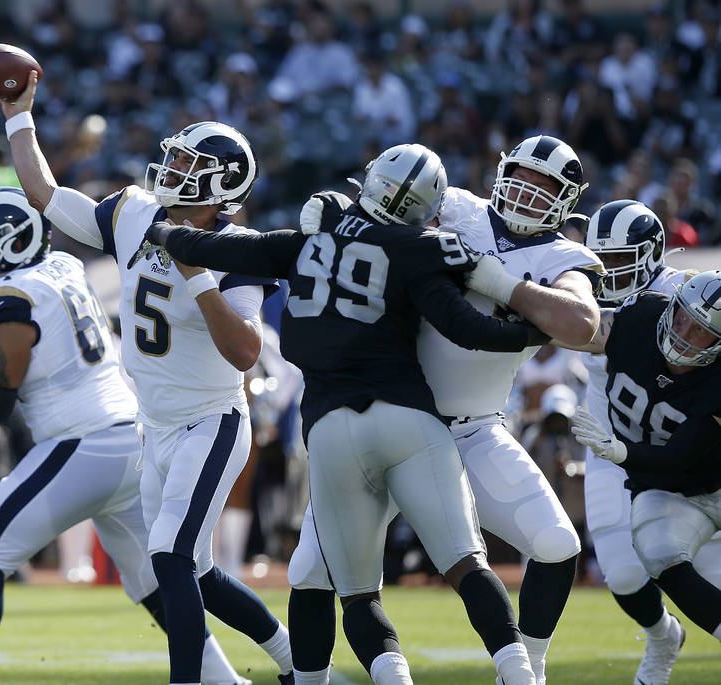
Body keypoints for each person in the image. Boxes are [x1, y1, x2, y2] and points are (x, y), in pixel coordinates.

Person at [141, 144, 542, 685]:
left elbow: (207, 244)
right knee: (467, 565)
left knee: (357, 594)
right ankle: (522, 674)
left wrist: (161, 230)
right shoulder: (422, 247)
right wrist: (535, 329)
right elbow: (469, 330)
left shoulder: (301, 242)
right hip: (410, 421)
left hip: (331, 433)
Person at [2, 71, 294, 685]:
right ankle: (298, 664)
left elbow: (244, 351)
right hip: (153, 426)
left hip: (209, 421)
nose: (171, 169)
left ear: (223, 186)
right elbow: (48, 197)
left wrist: (198, 274)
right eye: (174, 157)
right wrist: (18, 117)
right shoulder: (135, 215)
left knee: (169, 556)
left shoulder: (235, 246)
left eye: (189, 163)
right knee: (201, 573)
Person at [0, 186, 251, 685]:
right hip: (130, 438)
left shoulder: (8, 295)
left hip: (81, 443)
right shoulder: (62, 268)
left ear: (11, 241)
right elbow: (25, 345)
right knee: (148, 582)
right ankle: (224, 678)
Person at [294, 134, 604, 685]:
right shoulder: (455, 206)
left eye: (544, 185)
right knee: (310, 571)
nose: (528, 192)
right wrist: (333, 205)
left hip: (473, 428)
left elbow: (581, 324)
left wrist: (497, 282)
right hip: (389, 413)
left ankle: (528, 669)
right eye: (522, 176)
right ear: (501, 171)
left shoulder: (564, 257)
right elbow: (371, 205)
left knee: (557, 544)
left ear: (566, 199)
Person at [579, 199, 721, 684]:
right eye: (599, 260)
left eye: (619, 258)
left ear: (652, 251)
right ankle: (663, 636)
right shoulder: (578, 291)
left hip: (683, 460)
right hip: (606, 443)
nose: (607, 271)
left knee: (693, 567)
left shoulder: (685, 301)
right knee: (620, 573)